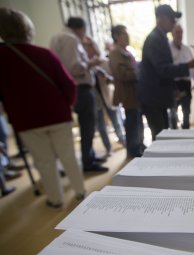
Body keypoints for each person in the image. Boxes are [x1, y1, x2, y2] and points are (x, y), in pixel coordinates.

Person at [0, 8, 86, 207]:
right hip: (57, 114)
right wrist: (67, 105)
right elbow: (69, 84)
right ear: (27, 29)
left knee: (44, 162)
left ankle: (56, 200)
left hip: (26, 119)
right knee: (68, 156)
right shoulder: (44, 54)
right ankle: (81, 192)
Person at [50, 17, 108, 172]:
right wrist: (92, 63)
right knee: (87, 126)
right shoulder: (71, 39)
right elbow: (74, 67)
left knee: (85, 126)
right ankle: (88, 161)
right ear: (80, 28)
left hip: (69, 89)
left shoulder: (56, 38)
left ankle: (89, 155)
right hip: (81, 88)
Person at [138, 4, 194, 140]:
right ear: (162, 18)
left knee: (163, 134)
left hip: (157, 97)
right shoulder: (155, 39)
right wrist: (186, 66)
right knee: (160, 138)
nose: (174, 23)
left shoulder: (160, 37)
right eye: (172, 19)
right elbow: (163, 69)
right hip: (153, 98)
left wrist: (173, 88)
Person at [82, 36, 126, 157]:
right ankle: (108, 147)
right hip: (95, 100)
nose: (88, 48)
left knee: (116, 121)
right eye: (85, 46)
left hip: (108, 96)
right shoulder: (84, 64)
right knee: (100, 125)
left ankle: (123, 140)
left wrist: (106, 77)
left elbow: (114, 78)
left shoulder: (104, 62)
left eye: (90, 45)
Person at [109, 25, 146, 158]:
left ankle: (139, 145)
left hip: (135, 93)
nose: (127, 36)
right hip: (128, 94)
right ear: (116, 36)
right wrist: (138, 72)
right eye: (124, 34)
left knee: (137, 122)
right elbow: (121, 74)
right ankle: (133, 150)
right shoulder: (115, 53)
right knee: (131, 123)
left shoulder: (127, 52)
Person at [169, 24, 194, 129]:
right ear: (172, 33)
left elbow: (193, 67)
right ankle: (174, 133)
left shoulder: (187, 49)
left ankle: (186, 132)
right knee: (173, 113)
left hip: (186, 84)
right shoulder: (168, 48)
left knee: (186, 112)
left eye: (181, 32)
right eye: (177, 32)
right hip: (174, 84)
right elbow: (168, 68)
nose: (179, 35)